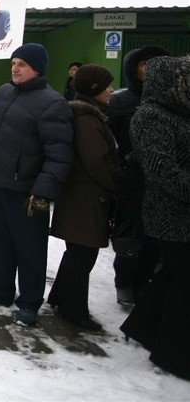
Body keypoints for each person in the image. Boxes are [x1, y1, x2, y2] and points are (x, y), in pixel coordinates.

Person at [0, 43, 74, 326]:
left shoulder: (53, 103)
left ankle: (29, 301)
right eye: (14, 63)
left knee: (29, 249)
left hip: (27, 192)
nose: (15, 68)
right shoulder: (4, 92)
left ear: (38, 68)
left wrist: (43, 192)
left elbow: (59, 154)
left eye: (22, 64)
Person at [120, 55, 190, 381]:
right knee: (183, 281)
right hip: (170, 211)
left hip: (180, 210)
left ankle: (145, 328)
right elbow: (162, 170)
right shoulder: (150, 117)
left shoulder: (177, 114)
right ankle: (173, 353)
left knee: (172, 276)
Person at [47, 65, 120, 331]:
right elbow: (97, 162)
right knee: (82, 256)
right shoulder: (86, 119)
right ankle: (73, 311)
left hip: (81, 197)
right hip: (86, 199)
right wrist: (118, 181)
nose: (111, 91)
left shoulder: (85, 114)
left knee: (76, 253)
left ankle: (59, 298)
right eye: (106, 86)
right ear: (93, 89)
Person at [106, 45, 169, 306]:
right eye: (144, 63)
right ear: (134, 68)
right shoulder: (121, 101)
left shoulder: (173, 100)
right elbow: (108, 139)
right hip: (131, 181)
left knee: (156, 240)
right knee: (130, 235)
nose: (149, 68)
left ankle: (144, 284)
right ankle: (125, 283)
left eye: (155, 62)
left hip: (164, 183)